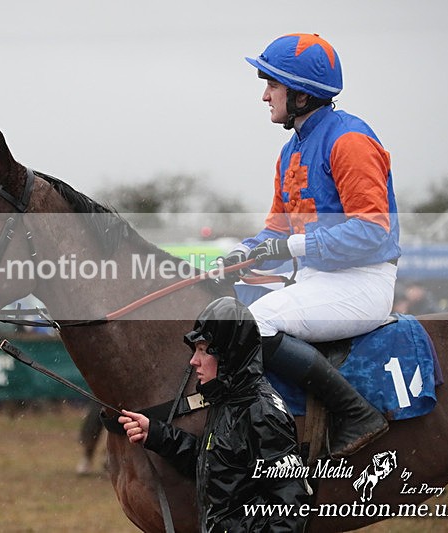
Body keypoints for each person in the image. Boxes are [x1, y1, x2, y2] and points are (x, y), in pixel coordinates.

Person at [221, 33, 400, 457]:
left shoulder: (350, 140)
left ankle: (357, 414)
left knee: (255, 323)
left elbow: (372, 231)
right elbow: (275, 232)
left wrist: (293, 247)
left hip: (362, 283)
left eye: (272, 85)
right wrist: (241, 255)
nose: (265, 96)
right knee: (227, 309)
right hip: (317, 282)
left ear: (301, 95)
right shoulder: (290, 151)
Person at [119, 298, 310, 532]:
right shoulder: (227, 401)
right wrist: (156, 434)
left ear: (228, 353)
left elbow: (291, 507)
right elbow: (216, 465)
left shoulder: (262, 413)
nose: (193, 361)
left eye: (202, 350)